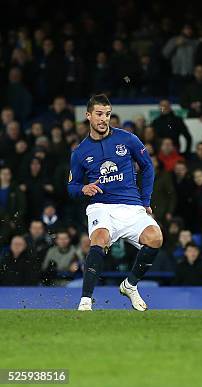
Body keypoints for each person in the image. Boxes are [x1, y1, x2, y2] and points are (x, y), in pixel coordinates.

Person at [68, 94, 163, 311]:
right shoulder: (80, 153)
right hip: (101, 206)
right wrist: (83, 188)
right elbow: (71, 188)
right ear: (88, 116)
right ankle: (85, 301)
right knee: (99, 238)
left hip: (131, 205)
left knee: (155, 238)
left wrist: (145, 200)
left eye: (107, 114)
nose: (104, 119)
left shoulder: (128, 139)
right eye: (99, 114)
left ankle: (130, 285)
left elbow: (147, 167)